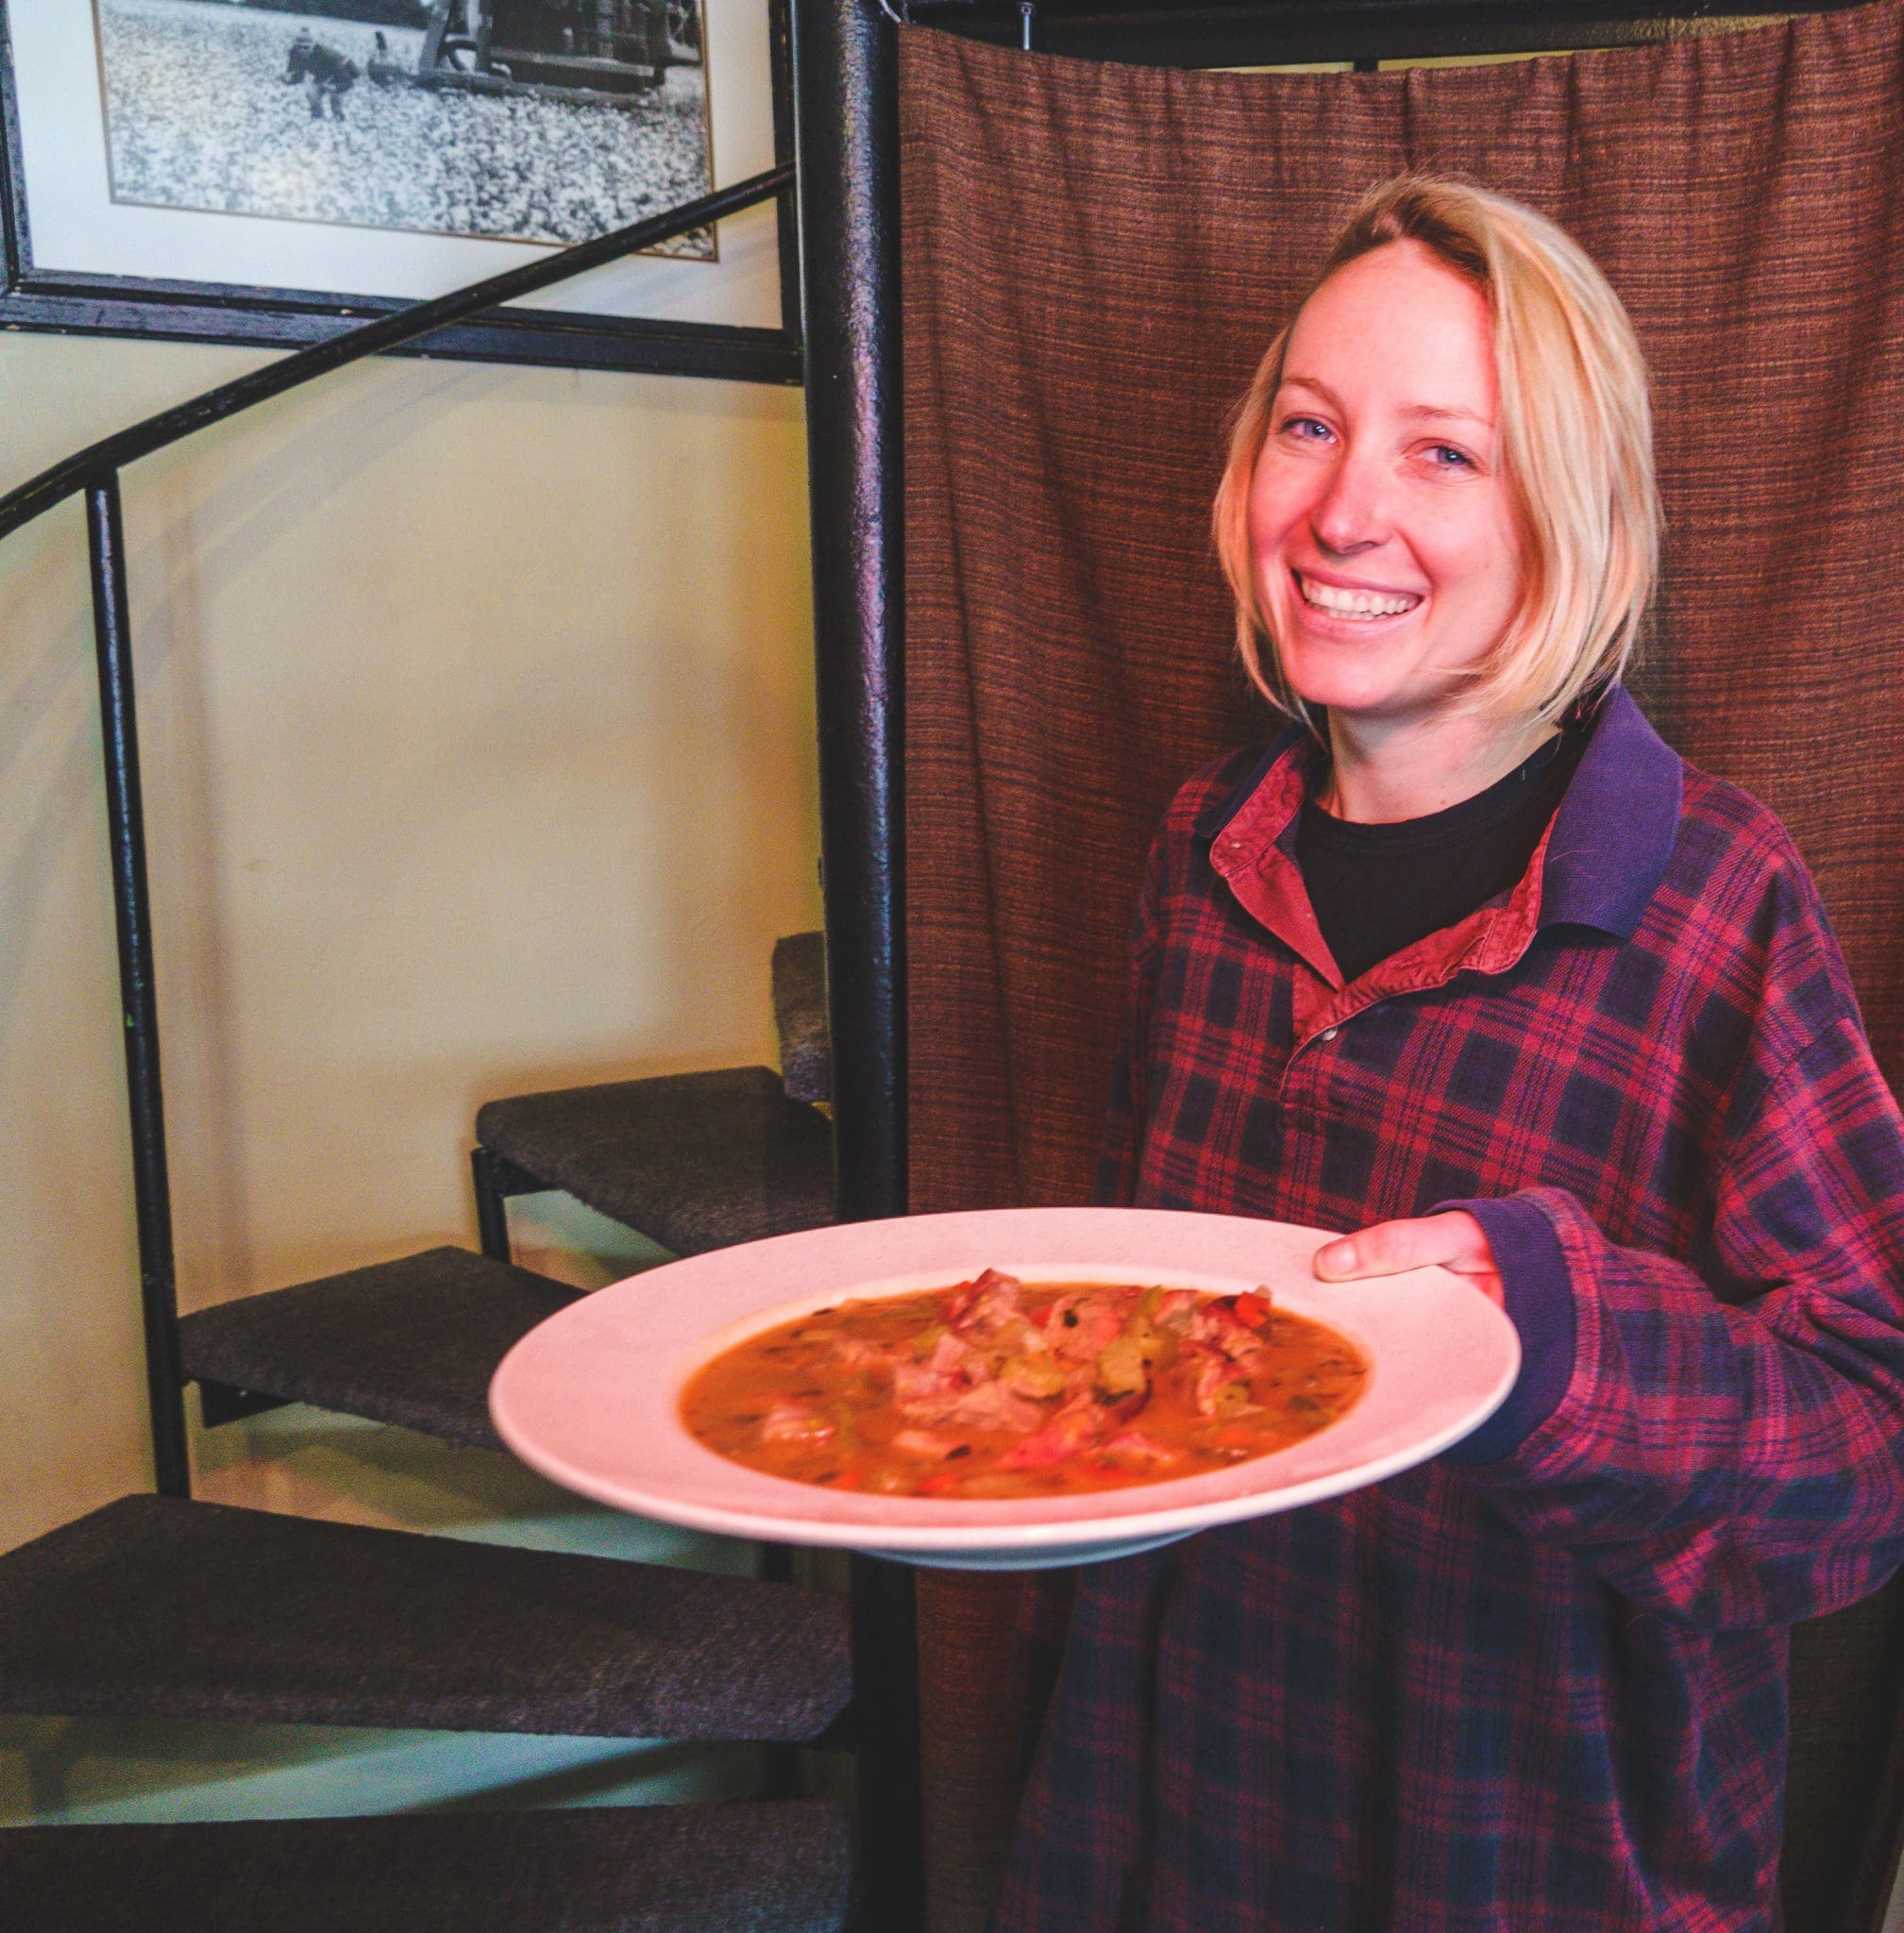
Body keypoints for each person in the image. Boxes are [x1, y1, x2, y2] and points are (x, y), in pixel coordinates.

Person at [989, 176, 1904, 1933]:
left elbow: (1865, 1462)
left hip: (1533, 1857)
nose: (1341, 511)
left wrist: (1555, 1334)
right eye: (1309, 429)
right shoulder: (1200, 850)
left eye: (1442, 455)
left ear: (1570, 513)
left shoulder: (1718, 896)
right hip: (1186, 1810)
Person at [283, 27, 359, 122]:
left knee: (335, 102)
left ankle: (340, 122)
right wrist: (288, 79)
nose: (302, 50)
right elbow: (298, 75)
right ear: (295, 45)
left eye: (306, 47)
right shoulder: (294, 53)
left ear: (313, 45)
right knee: (311, 93)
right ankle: (318, 118)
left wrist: (334, 87)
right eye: (299, 47)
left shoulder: (328, 55)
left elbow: (349, 82)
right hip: (323, 76)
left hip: (343, 75)